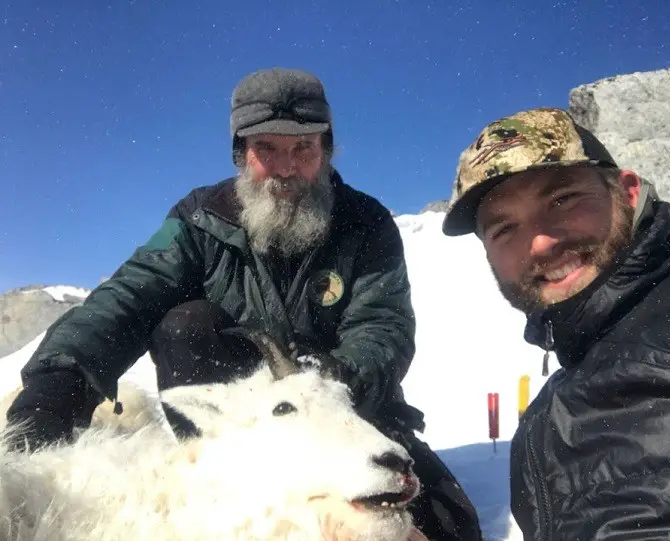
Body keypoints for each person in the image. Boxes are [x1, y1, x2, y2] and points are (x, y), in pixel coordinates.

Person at [5, 67, 481, 541]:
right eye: (266, 149)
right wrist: (56, 384)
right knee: (184, 323)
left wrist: (330, 375)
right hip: (242, 429)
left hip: (348, 407)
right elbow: (128, 296)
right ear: (241, 154)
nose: (286, 166)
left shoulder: (367, 224)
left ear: (327, 149)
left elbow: (382, 328)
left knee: (447, 527)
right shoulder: (198, 219)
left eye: (303, 148)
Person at [441, 106, 670, 540]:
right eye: (504, 229)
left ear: (628, 191)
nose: (541, 242)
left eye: (563, 199)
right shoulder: (542, 424)